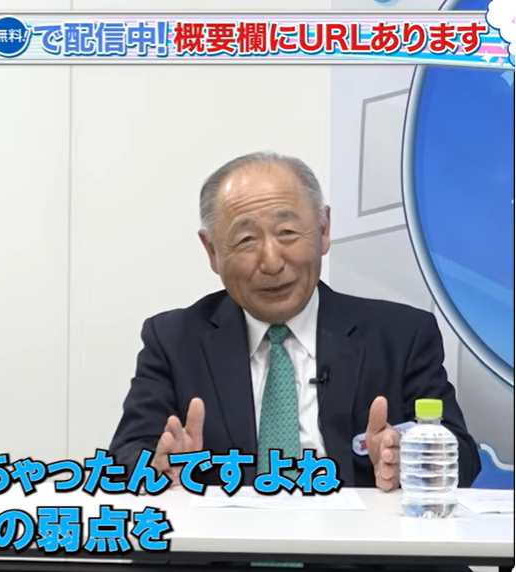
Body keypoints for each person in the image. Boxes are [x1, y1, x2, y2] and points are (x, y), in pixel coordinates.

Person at [108, 151, 480, 490]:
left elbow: (463, 460)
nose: (271, 262)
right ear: (212, 251)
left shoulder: (401, 335)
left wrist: (409, 460)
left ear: (323, 230)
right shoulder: (174, 340)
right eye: (246, 240)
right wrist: (157, 469)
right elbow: (125, 457)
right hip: (226, 541)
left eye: (287, 233)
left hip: (359, 540)